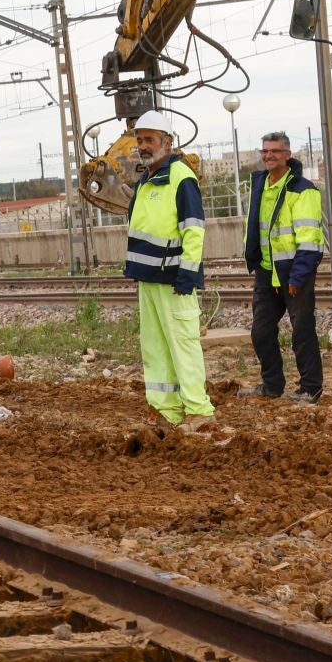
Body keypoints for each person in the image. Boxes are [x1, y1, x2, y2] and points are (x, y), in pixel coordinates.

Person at [123, 110, 214, 426]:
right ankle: (165, 410)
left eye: (149, 139)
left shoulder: (181, 178)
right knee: (156, 349)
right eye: (139, 140)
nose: (143, 145)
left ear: (167, 142)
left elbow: (194, 230)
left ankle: (199, 411)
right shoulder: (146, 180)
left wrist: (187, 274)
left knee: (182, 346)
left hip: (175, 280)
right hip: (148, 279)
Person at [242, 132, 325, 402]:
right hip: (267, 271)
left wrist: (298, 276)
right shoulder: (260, 186)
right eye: (265, 151)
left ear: (287, 155)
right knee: (261, 331)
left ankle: (311, 389)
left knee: (302, 331)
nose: (269, 156)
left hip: (293, 271)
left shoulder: (302, 190)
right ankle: (272, 386)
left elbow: (310, 239)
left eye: (275, 151)